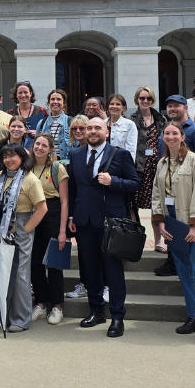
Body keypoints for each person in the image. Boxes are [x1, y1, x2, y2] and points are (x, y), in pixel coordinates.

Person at [68, 117, 140, 338]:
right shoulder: (75, 154)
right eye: (89, 128)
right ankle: (96, 310)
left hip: (111, 222)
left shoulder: (120, 154)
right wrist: (71, 215)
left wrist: (114, 182)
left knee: (113, 271)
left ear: (106, 132)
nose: (92, 131)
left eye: (97, 128)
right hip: (84, 221)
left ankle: (117, 317)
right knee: (90, 269)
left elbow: (135, 182)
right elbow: (73, 187)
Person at [152, 121, 195, 338]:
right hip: (173, 224)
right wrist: (162, 222)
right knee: (184, 272)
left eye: (175, 133)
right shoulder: (162, 163)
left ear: (183, 136)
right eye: (166, 133)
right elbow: (157, 194)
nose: (170, 137)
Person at [0, 144, 47, 332]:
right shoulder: (1, 177)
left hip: (22, 225)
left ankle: (22, 318)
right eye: (5, 156)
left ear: (22, 158)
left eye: (12, 156)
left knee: (21, 274)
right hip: (3, 227)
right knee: (6, 272)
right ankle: (8, 314)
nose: (8, 160)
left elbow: (42, 209)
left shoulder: (30, 179)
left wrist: (26, 228)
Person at [30, 134, 69, 325]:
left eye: (44, 145)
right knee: (35, 263)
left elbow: (64, 201)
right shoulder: (27, 166)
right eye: (37, 143)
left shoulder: (57, 168)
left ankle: (57, 306)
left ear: (50, 149)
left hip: (52, 214)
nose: (39, 147)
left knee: (53, 263)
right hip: (32, 214)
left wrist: (63, 231)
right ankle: (41, 303)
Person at [130, 86, 167, 250]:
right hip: (138, 167)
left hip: (156, 167)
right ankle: (132, 240)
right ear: (137, 100)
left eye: (149, 99)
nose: (145, 101)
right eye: (142, 98)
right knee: (132, 204)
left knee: (156, 205)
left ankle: (158, 241)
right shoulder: (131, 120)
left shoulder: (160, 119)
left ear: (153, 100)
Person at [65, 113, 93, 301]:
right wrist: (71, 215)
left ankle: (103, 286)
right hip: (81, 210)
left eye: (82, 128)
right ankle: (84, 284)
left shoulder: (100, 150)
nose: (78, 131)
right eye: (74, 129)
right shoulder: (74, 153)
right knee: (83, 251)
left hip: (97, 210)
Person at [35, 90, 73, 161]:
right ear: (49, 102)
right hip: (46, 163)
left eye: (58, 99)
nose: (55, 102)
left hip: (67, 164)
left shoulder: (71, 122)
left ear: (64, 103)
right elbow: (36, 146)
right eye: (52, 99)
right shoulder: (41, 123)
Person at [106, 94, 138, 160]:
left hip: (120, 163)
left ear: (123, 108)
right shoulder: (102, 123)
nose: (114, 106)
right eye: (112, 104)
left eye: (118, 104)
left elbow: (131, 150)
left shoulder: (129, 125)